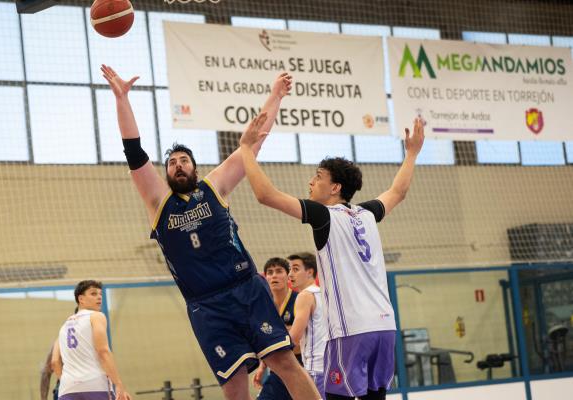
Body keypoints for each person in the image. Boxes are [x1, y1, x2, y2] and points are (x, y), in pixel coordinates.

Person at [100, 64, 320, 400]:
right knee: (233, 387)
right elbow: (134, 151)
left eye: (184, 159)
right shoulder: (158, 200)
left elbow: (253, 143)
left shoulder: (215, 186)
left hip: (245, 289)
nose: (178, 164)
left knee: (284, 361)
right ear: (167, 172)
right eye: (172, 162)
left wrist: (275, 95)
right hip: (206, 305)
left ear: (194, 166)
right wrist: (121, 99)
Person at [239, 114, 425, 400]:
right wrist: (412, 153)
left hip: (351, 331)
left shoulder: (324, 215)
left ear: (335, 188)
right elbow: (397, 192)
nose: (311, 181)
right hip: (385, 327)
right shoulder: (367, 213)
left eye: (318, 177)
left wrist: (246, 150)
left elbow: (265, 195)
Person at [53, 280, 131, 400]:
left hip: (67, 388)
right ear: (81, 299)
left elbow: (55, 362)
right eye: (93, 294)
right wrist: (119, 384)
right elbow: (103, 351)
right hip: (95, 385)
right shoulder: (96, 316)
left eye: (100, 294)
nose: (99, 297)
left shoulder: (64, 326)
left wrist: (64, 381)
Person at [252, 257, 301, 400]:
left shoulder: (299, 299)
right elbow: (267, 342)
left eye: (279, 271)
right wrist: (262, 367)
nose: (274, 275)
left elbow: (300, 341)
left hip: (303, 365)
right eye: (270, 272)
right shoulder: (264, 306)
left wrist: (277, 335)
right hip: (278, 367)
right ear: (265, 277)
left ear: (288, 276)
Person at [286, 252, 326, 395]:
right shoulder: (324, 294)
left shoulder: (304, 295)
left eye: (295, 269)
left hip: (315, 368)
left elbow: (294, 338)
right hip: (333, 367)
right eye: (289, 269)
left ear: (310, 272)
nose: (290, 274)